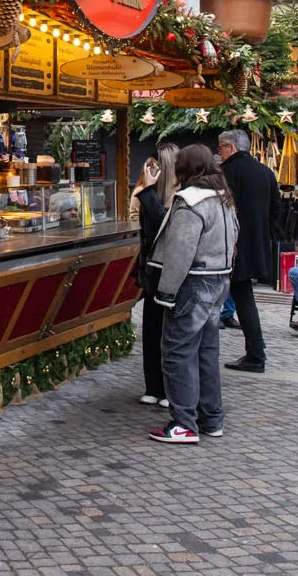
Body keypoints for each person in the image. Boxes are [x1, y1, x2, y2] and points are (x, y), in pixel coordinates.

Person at [147, 144, 238, 444]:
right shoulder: (222, 198)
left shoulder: (189, 201)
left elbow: (180, 250)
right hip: (218, 279)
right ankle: (211, 418)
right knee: (206, 352)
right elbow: (234, 235)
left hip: (193, 282)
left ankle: (184, 423)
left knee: (177, 352)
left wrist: (166, 291)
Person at [217, 129, 280, 374]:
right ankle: (256, 351)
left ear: (231, 148)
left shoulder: (227, 172)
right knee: (244, 297)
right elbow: (276, 210)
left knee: (242, 299)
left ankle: (256, 354)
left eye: (221, 147)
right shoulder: (265, 171)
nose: (219, 152)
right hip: (255, 245)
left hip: (232, 246)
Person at [131, 143, 179, 408]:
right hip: (151, 270)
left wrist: (147, 192)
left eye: (153, 165)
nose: (148, 170)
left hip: (171, 271)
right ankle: (154, 385)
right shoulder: (149, 193)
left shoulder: (180, 196)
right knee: (151, 329)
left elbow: (166, 226)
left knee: (168, 331)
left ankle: (169, 387)